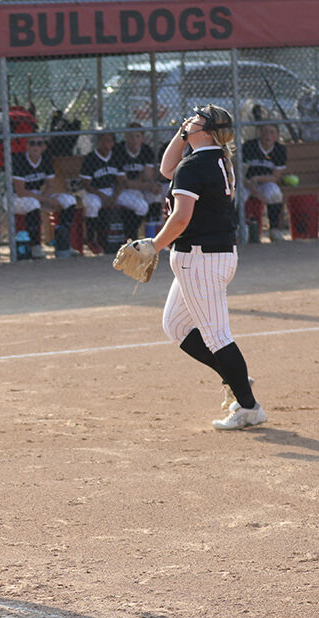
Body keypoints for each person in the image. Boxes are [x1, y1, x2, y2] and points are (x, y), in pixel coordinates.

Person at [150, 104, 266, 430]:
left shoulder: (195, 164)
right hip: (205, 257)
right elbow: (165, 167)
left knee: (217, 336)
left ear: (208, 131)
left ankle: (248, 407)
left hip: (201, 259)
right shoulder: (214, 158)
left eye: (197, 119)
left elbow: (182, 217)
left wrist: (153, 246)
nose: (190, 120)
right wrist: (183, 132)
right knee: (175, 325)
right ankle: (235, 378)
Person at [9, 134, 80, 259]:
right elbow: (20, 191)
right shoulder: (19, 160)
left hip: (38, 195)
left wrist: (45, 198)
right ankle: (35, 246)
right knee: (33, 203)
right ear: (26, 146)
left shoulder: (46, 159)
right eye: (32, 143)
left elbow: (50, 186)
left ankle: (62, 242)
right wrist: (46, 200)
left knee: (69, 200)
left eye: (39, 144)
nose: (35, 147)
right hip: (14, 198)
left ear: (44, 147)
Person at [111, 122, 164, 240]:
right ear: (125, 137)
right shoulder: (118, 150)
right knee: (142, 205)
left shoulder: (146, 150)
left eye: (137, 136)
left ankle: (153, 238)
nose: (134, 140)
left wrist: (152, 185)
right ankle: (131, 237)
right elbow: (124, 182)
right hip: (120, 191)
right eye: (130, 136)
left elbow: (148, 176)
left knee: (155, 196)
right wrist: (147, 185)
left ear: (143, 138)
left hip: (140, 188)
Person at [77, 129, 125, 254]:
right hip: (93, 192)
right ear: (98, 142)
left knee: (140, 205)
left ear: (113, 143)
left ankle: (129, 236)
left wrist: (114, 196)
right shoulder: (90, 158)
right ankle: (92, 239)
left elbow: (121, 182)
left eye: (109, 141)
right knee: (93, 204)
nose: (106, 144)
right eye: (103, 140)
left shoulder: (117, 157)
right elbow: (86, 185)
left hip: (113, 192)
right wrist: (103, 196)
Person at [242, 122, 289, 242]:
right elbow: (239, 172)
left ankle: (273, 230)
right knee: (239, 195)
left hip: (264, 182)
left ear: (277, 135)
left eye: (272, 132)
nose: (268, 135)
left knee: (275, 192)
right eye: (265, 132)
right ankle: (239, 229)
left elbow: (275, 177)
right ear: (260, 134)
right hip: (246, 182)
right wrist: (250, 186)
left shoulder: (280, 149)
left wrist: (257, 179)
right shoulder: (249, 146)